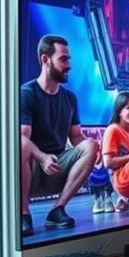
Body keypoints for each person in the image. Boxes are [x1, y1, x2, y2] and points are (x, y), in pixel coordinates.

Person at [19, 35, 99, 236]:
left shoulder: (70, 98)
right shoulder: (26, 94)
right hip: (33, 170)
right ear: (46, 60)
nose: (69, 64)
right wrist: (43, 157)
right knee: (19, 144)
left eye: (69, 59)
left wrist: (93, 148)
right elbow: (22, 139)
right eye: (63, 59)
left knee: (90, 145)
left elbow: (76, 137)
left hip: (58, 167)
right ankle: (23, 213)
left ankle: (57, 210)